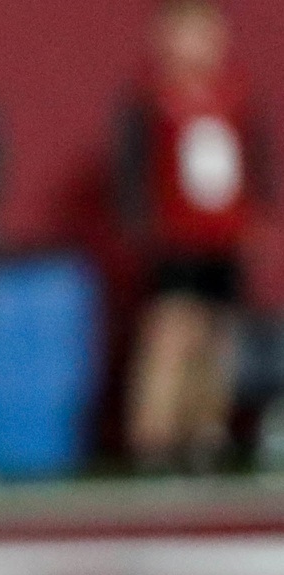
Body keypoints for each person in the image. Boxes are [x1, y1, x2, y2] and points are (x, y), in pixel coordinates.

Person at [116, 0, 273, 473]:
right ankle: (155, 439)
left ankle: (205, 434)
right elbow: (134, 171)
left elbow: (255, 164)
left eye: (204, 33)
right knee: (171, 332)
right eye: (185, 32)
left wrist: (256, 220)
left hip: (223, 239)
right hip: (175, 241)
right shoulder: (150, 98)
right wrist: (144, 226)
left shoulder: (236, 96)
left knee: (219, 337)